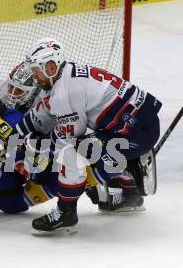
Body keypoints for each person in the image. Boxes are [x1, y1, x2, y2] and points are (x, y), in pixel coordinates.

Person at [16, 37, 161, 234]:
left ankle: (66, 213)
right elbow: (42, 113)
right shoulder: (64, 77)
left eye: (36, 70)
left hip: (138, 134)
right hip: (132, 125)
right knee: (86, 147)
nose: (35, 76)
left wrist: (41, 151)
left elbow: (67, 140)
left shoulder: (67, 90)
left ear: (51, 67)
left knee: (75, 153)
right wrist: (9, 135)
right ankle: (131, 191)